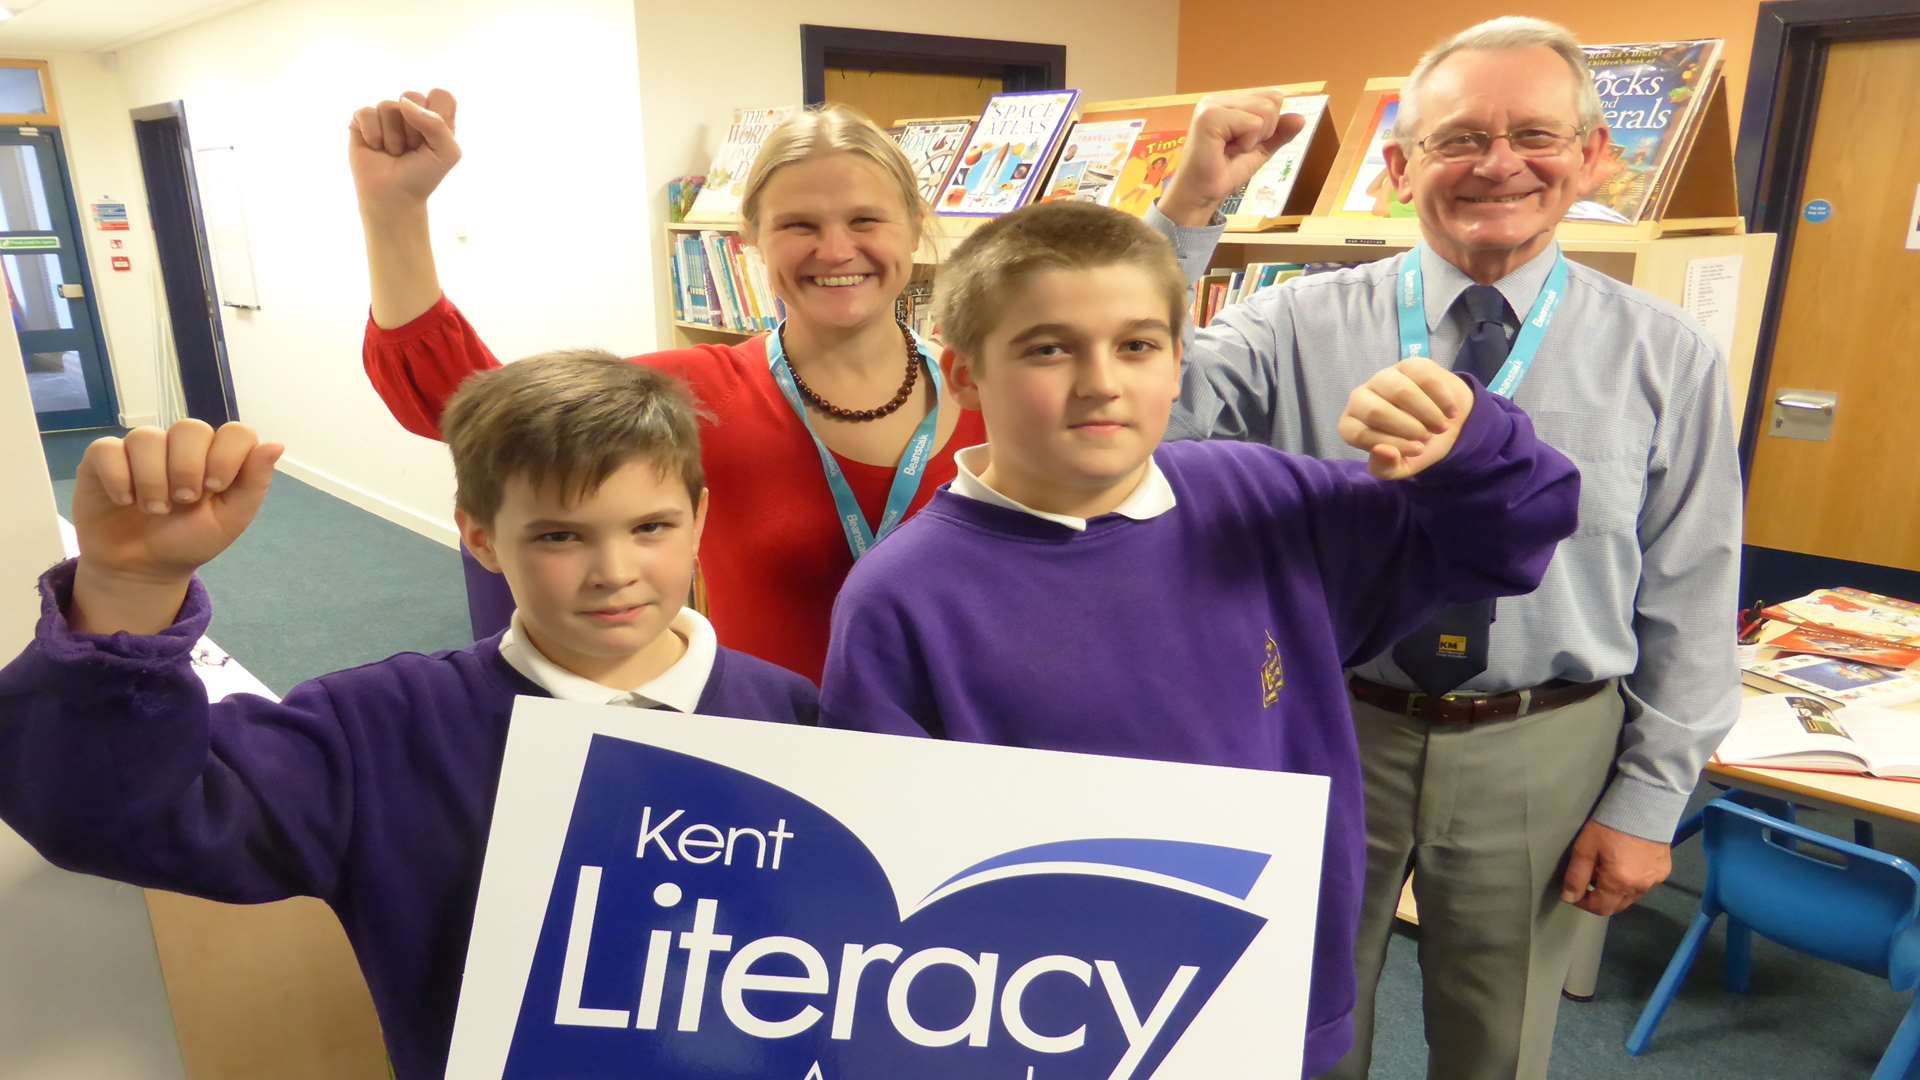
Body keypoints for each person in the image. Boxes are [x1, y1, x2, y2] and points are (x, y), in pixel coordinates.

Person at [817, 199, 1581, 1077]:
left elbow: (1506, 541)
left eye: (1137, 345)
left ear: (1180, 364)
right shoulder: (901, 597)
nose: (1101, 380)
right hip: (1046, 1024)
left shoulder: (1258, 498)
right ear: (964, 375)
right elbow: (890, 867)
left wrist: (1469, 442)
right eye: (1048, 347)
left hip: (1271, 991)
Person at [1147, 16, 1742, 1078]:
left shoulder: (1667, 356)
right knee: (1291, 1027)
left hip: (1545, 746)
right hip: (1330, 720)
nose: (1500, 163)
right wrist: (1194, 211)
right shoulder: (1292, 324)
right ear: (1399, 165)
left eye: (1536, 134)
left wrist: (1651, 802)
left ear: (1593, 158)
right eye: (1460, 137)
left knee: (1497, 1047)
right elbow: (1136, 409)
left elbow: (1693, 592)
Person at [0, 352, 817, 1080]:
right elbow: (107, 819)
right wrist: (129, 593)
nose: (614, 572)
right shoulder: (374, 730)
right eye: (560, 536)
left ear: (700, 519)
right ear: (481, 539)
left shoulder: (794, 715)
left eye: (651, 528)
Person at [351, 91, 983, 682]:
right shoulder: (699, 394)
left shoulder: (994, 390)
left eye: (865, 220)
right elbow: (470, 407)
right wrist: (395, 213)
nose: (837, 249)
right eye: (799, 226)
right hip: (779, 744)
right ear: (752, 239)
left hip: (968, 745)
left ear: (915, 225)